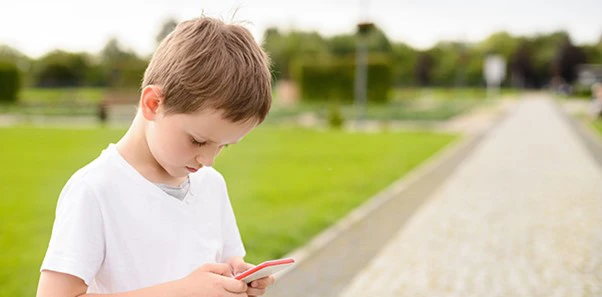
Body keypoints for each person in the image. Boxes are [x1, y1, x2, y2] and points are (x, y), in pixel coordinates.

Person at [36, 16, 274, 297]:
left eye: (224, 145)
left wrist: (236, 276)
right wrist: (181, 292)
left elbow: (217, 267)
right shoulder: (95, 190)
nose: (207, 160)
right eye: (198, 140)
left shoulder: (211, 184)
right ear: (153, 104)